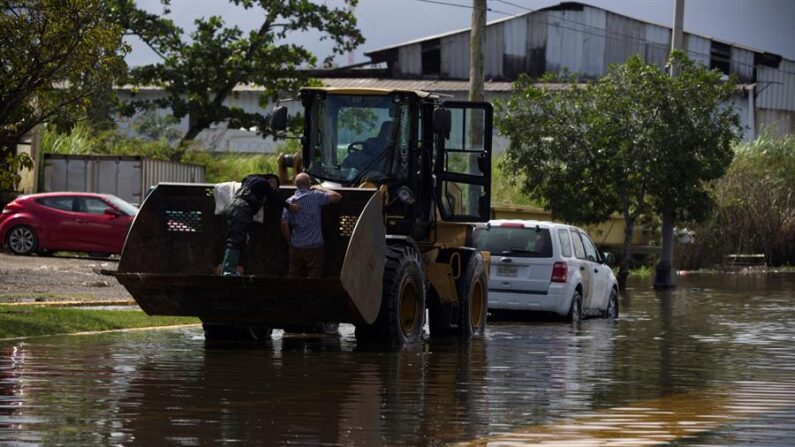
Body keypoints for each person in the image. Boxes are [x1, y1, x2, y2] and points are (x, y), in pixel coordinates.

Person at [221, 174, 298, 276]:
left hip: (233, 206)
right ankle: (228, 271)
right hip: (242, 208)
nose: (274, 188)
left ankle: (230, 269)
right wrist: (289, 206)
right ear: (271, 181)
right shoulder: (264, 183)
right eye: (275, 185)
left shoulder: (250, 179)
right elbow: (273, 197)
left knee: (237, 240)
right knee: (235, 240)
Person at [281, 173, 342, 278]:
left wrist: (289, 241)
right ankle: (311, 293)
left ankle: (291, 293)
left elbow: (284, 223)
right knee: (315, 275)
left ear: (296, 184)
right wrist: (322, 188)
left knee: (293, 275)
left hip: (296, 245)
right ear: (309, 184)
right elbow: (338, 197)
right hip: (314, 245)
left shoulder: (290, 201)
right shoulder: (316, 196)